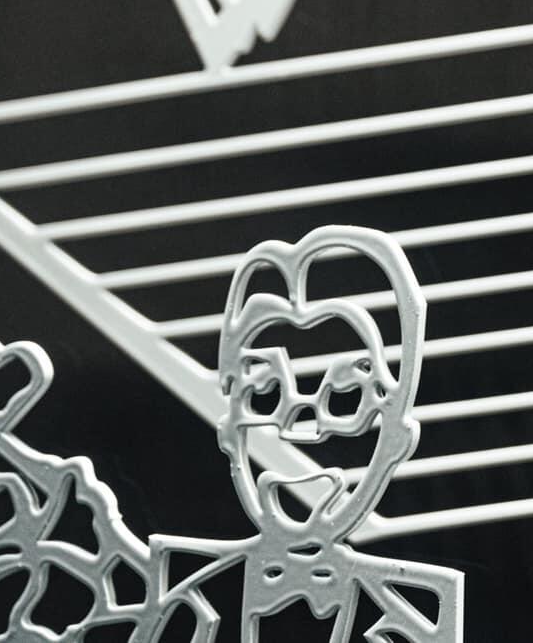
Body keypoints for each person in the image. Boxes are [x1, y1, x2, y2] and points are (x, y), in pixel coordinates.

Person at [137, 226, 463, 643]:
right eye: (265, 394)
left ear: (398, 438)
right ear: (227, 430)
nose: (298, 426)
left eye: (343, 398)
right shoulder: (181, 589)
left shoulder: (421, 616)